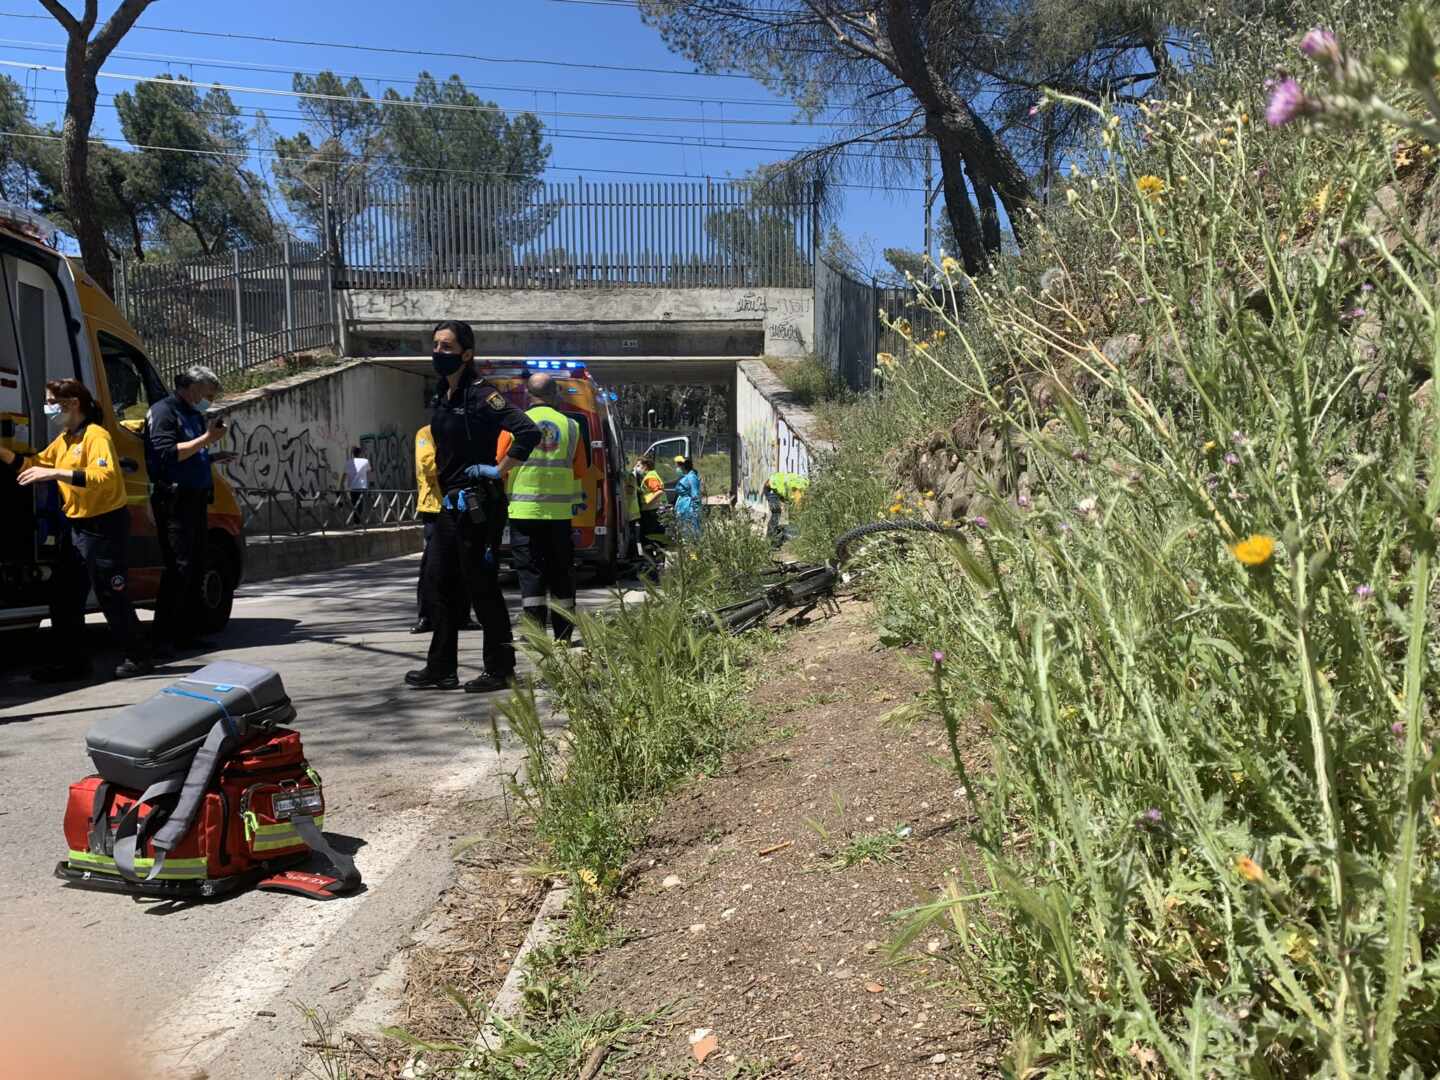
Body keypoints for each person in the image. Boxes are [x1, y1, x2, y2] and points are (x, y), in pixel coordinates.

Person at [406, 320, 539, 693]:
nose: (438, 353)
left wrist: (498, 469)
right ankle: (441, 669)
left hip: (478, 504)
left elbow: (528, 431)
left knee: (481, 586)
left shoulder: (483, 396)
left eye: (447, 347)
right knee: (439, 584)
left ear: (467, 354)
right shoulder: (441, 393)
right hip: (448, 505)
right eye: (435, 345)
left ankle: (500, 669)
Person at [1, 379, 152, 681]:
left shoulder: (96, 435)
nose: (48, 408)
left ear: (71, 404)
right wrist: (3, 452)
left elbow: (105, 477)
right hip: (78, 527)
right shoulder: (66, 439)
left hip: (104, 525)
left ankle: (138, 657)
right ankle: (73, 664)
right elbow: (33, 463)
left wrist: (56, 472)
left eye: (50, 402)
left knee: (111, 592)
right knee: (65, 597)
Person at [144, 364, 226, 653]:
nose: (210, 401)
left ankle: (186, 632)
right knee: (179, 567)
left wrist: (213, 455)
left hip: (195, 499)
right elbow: (165, 454)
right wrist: (206, 440)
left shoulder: (193, 414)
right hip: (174, 500)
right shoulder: (164, 411)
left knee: (195, 566)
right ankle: (164, 635)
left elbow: (190, 454)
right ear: (192, 387)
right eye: (208, 394)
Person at [502, 372, 586, 644]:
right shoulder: (571, 426)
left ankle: (535, 634)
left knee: (530, 575)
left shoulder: (512, 425)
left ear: (528, 395)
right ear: (555, 394)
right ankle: (563, 635)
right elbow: (581, 469)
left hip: (524, 514)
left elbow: (501, 465)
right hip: (560, 516)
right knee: (562, 573)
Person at [411, 424, 442, 634]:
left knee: (463, 564)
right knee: (431, 566)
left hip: (459, 503)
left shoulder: (464, 428)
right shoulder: (426, 433)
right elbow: (428, 465)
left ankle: (463, 615)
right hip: (434, 507)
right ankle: (426, 617)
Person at [762, 471, 809, 546]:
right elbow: (798, 509)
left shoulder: (803, 486)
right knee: (776, 513)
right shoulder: (800, 490)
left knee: (784, 514)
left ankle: (779, 537)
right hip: (771, 488)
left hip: (777, 488)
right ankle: (771, 542)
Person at [636, 453, 667, 558]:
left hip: (650, 512)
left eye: (639, 465)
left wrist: (647, 500)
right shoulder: (652, 474)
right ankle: (657, 562)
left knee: (648, 539)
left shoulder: (650, 477)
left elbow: (659, 491)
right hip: (654, 511)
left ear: (645, 466)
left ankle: (653, 564)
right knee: (656, 539)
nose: (637, 468)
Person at [673, 455, 702, 537]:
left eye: (678, 466)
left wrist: (695, 511)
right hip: (683, 507)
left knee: (690, 532)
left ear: (683, 466)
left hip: (689, 509)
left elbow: (695, 495)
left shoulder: (692, 477)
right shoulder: (686, 476)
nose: (677, 468)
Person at [345, 445, 371, 525]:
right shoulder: (365, 461)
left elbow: (345, 474)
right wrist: (370, 485)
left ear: (353, 453)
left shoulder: (349, 462)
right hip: (362, 486)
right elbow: (369, 473)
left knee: (354, 505)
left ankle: (357, 522)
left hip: (352, 487)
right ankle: (361, 522)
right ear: (360, 453)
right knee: (361, 505)